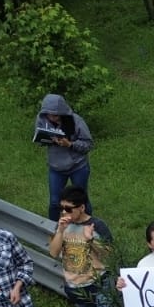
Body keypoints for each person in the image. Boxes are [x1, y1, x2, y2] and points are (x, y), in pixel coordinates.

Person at [47, 185, 120, 307]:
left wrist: (91, 239)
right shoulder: (62, 226)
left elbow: (110, 255)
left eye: (69, 209)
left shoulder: (97, 225)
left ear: (81, 207)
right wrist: (60, 231)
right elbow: (53, 252)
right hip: (75, 287)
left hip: (99, 284)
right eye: (62, 208)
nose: (64, 212)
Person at [38, 94, 94, 222]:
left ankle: (89, 226)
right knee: (54, 202)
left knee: (81, 199)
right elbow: (39, 136)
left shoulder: (76, 121)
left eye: (56, 115)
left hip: (78, 166)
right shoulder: (42, 119)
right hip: (56, 167)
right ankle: (53, 229)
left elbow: (88, 144)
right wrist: (47, 139)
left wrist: (70, 144)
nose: (52, 117)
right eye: (49, 114)